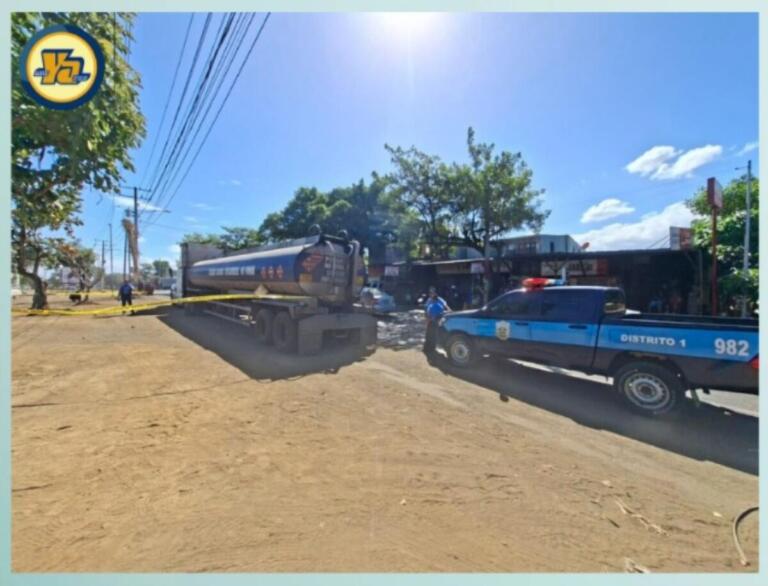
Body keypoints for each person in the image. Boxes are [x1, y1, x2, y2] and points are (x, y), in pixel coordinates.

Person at [423, 286, 450, 357]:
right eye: (430, 292)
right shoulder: (429, 300)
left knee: (434, 334)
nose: (431, 294)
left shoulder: (440, 300)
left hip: (437, 320)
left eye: (433, 292)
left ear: (435, 293)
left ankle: (432, 348)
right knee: (428, 334)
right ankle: (427, 349)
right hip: (430, 319)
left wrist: (451, 312)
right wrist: (426, 317)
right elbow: (426, 309)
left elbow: (446, 306)